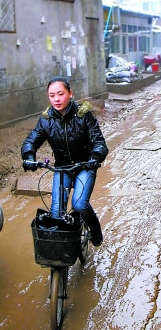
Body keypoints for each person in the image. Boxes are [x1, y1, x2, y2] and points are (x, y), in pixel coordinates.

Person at [21, 76, 109, 247]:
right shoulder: (46, 120)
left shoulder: (84, 115)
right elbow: (31, 141)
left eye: (60, 94)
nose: (56, 99)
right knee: (56, 214)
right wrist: (29, 157)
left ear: (70, 93)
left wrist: (95, 157)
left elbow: (99, 142)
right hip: (62, 167)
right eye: (52, 95)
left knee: (79, 204)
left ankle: (95, 228)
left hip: (85, 165)